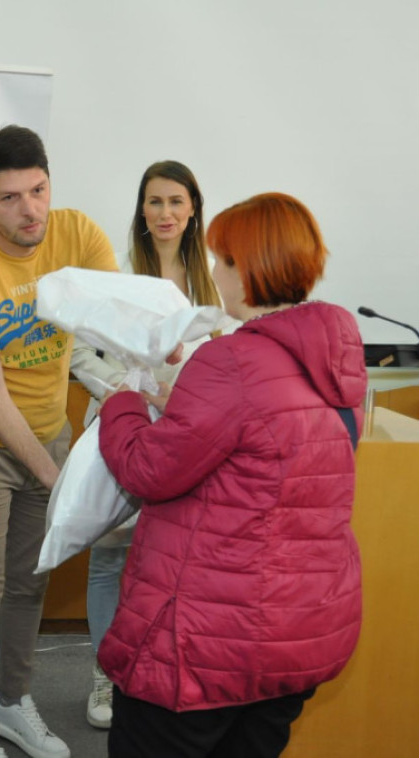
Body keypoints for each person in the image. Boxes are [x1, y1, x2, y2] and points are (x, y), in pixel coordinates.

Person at [97, 192, 364, 758]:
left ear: (250, 269)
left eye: (223, 260)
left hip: (207, 640)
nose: (215, 274)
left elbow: (147, 469)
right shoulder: (335, 361)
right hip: (297, 631)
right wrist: (182, 405)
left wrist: (122, 403)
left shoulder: (231, 363)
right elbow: (259, 458)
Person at [0, 125, 119, 758]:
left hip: (49, 434)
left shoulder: (77, 234)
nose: (30, 210)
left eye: (38, 190)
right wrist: (56, 477)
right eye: (10, 198)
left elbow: (119, 319)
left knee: (29, 585)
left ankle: (13, 703)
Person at [83, 160, 222, 730]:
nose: (165, 213)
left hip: (188, 437)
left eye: (175, 201)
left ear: (193, 209)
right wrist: (125, 390)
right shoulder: (116, 272)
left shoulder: (214, 279)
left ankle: (155, 675)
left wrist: (182, 395)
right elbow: (79, 353)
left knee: (171, 561)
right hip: (124, 426)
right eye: (155, 201)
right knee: (109, 557)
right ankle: (104, 674)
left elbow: (227, 358)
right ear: (141, 209)